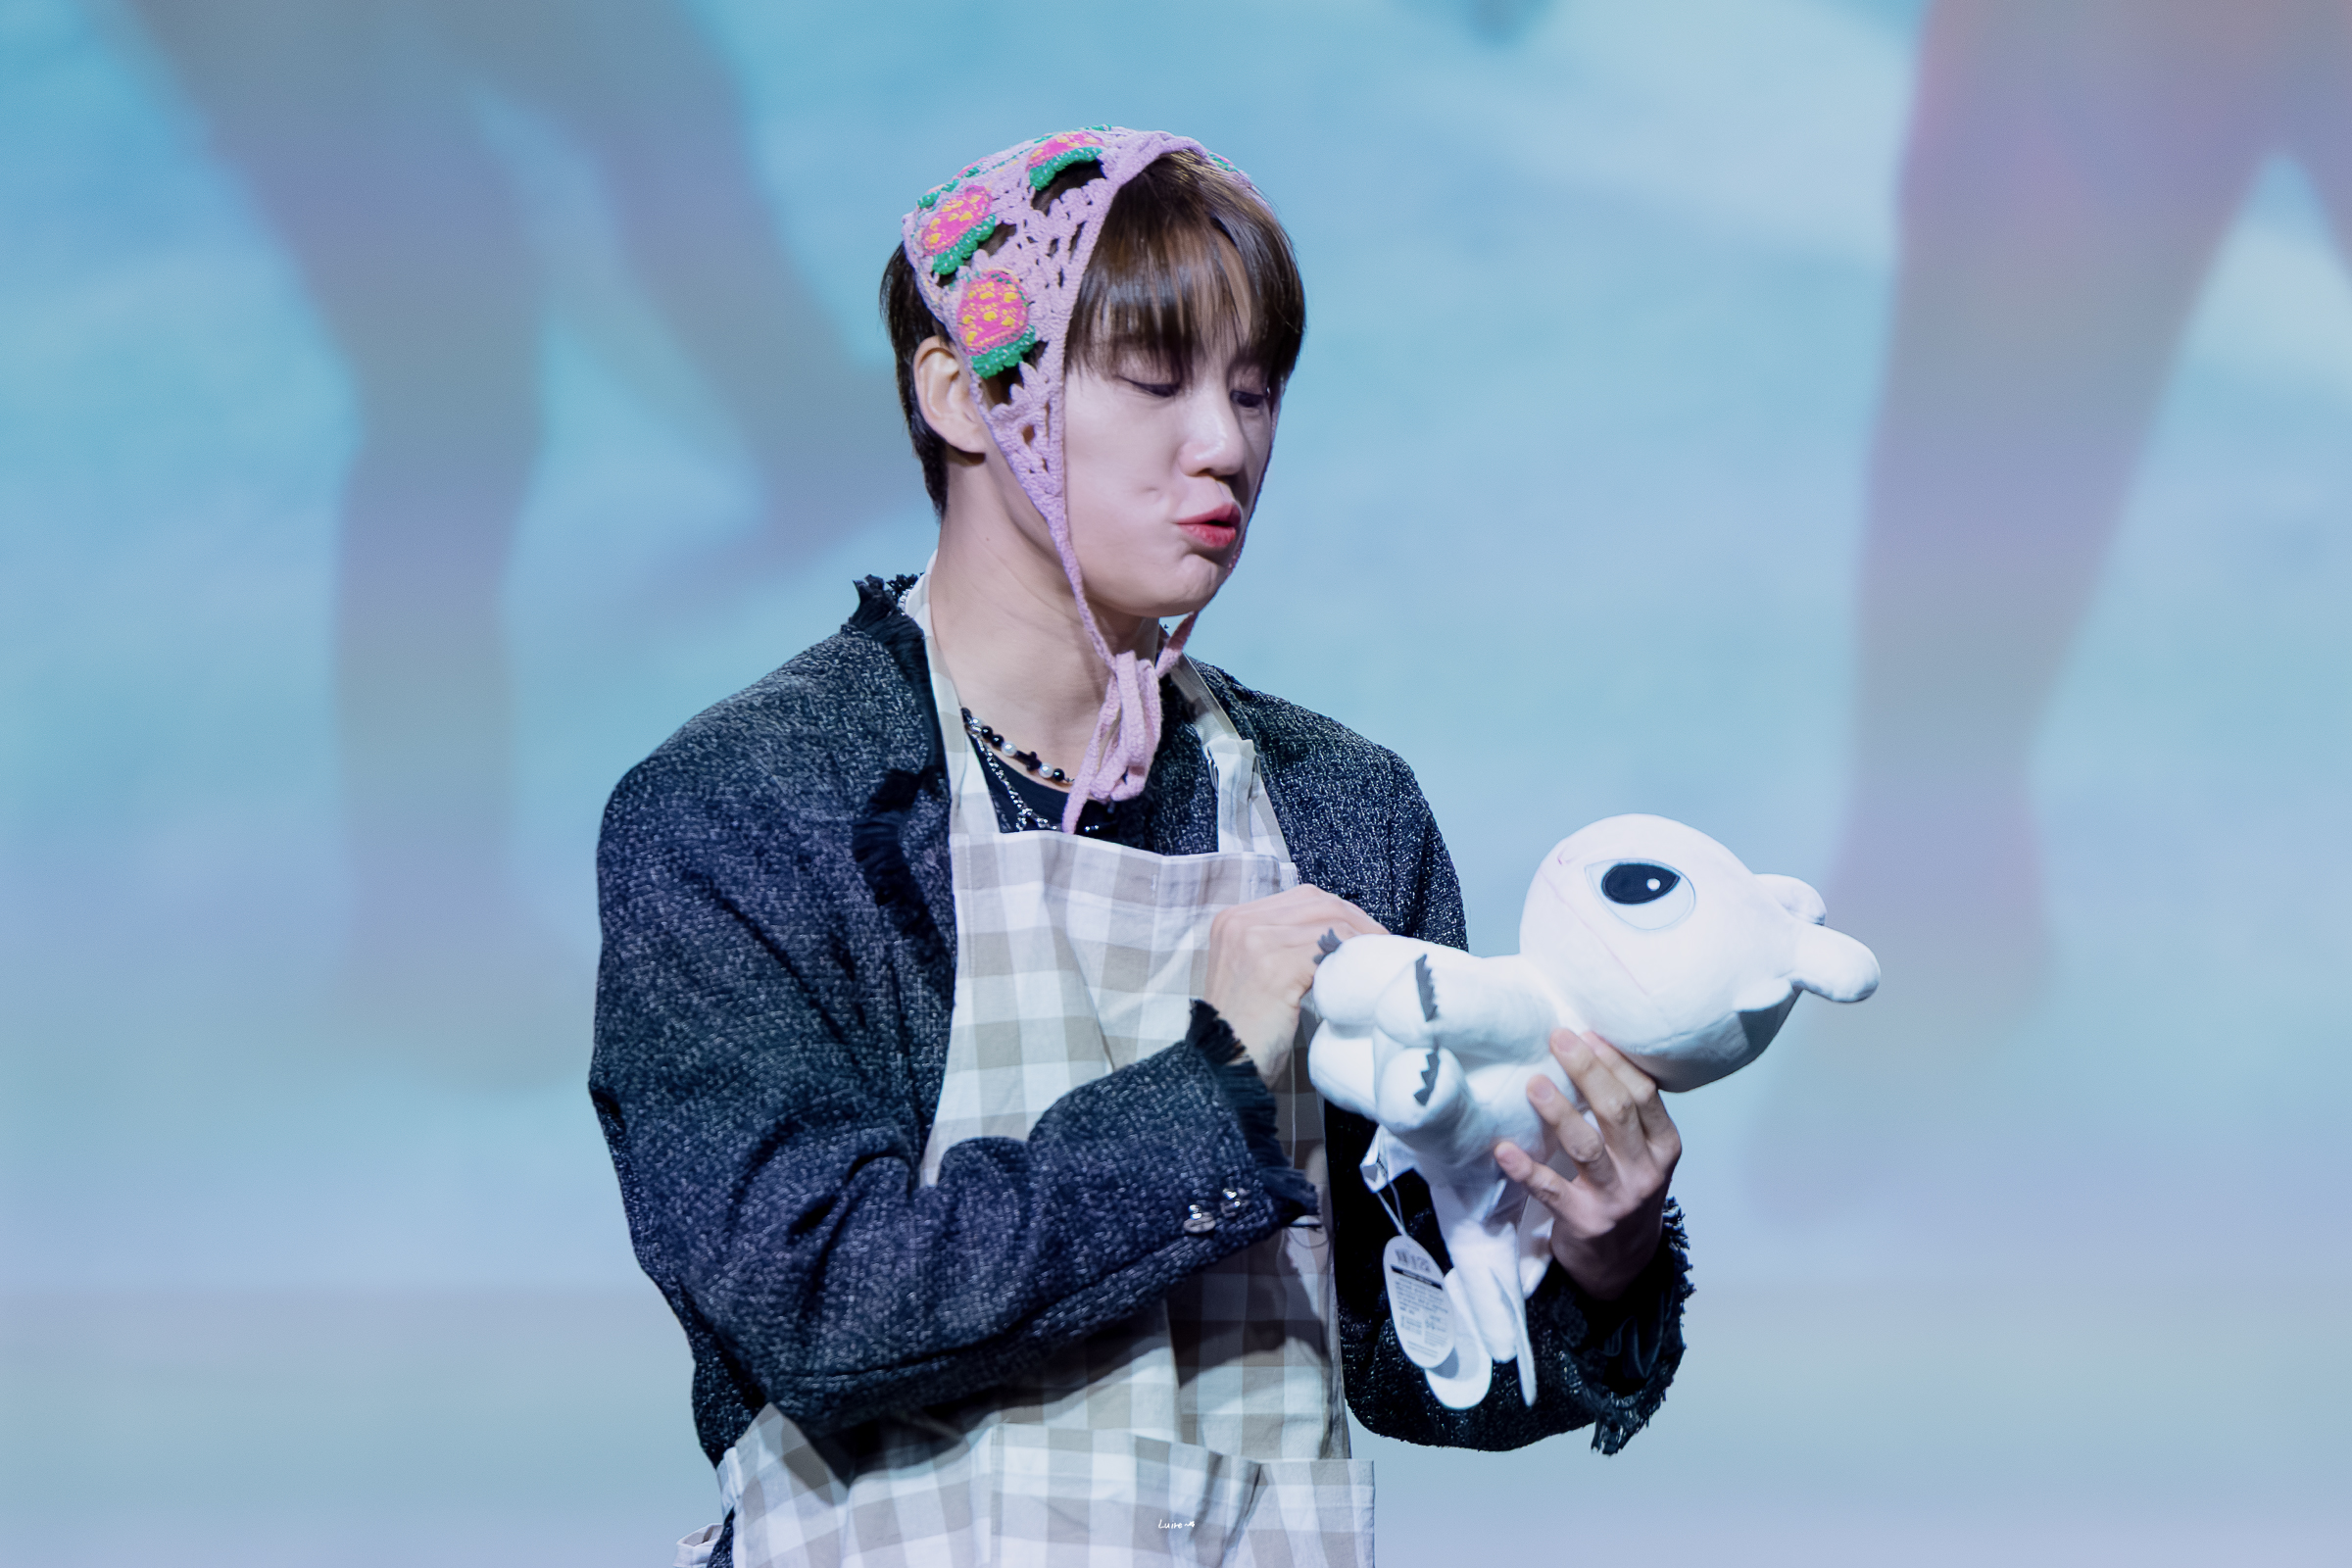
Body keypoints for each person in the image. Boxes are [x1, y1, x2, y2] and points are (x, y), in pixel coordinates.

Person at [591, 127, 1692, 1568]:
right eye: (1156, 379)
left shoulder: (1341, 808)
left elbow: (1404, 1347)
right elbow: (814, 1308)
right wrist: (1215, 1082)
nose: (1225, 443)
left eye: (1256, 388)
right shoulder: (758, 802)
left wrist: (1595, 1252)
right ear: (961, 393)